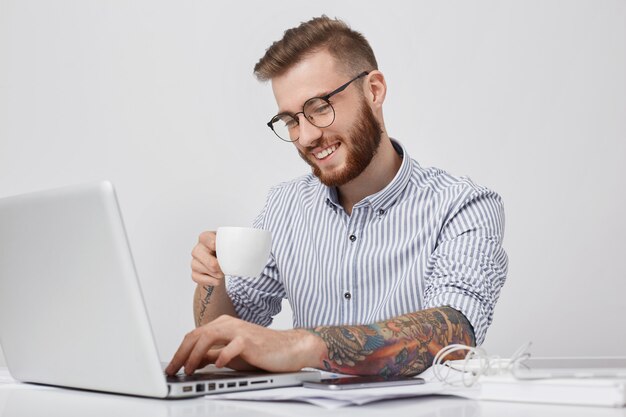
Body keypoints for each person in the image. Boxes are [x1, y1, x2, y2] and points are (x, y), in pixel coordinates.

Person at [166, 16, 508, 378]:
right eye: (291, 120)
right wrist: (213, 280)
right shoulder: (284, 207)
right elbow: (223, 341)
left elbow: (454, 333)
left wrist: (304, 345)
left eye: (319, 107)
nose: (306, 136)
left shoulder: (464, 205)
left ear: (374, 91)